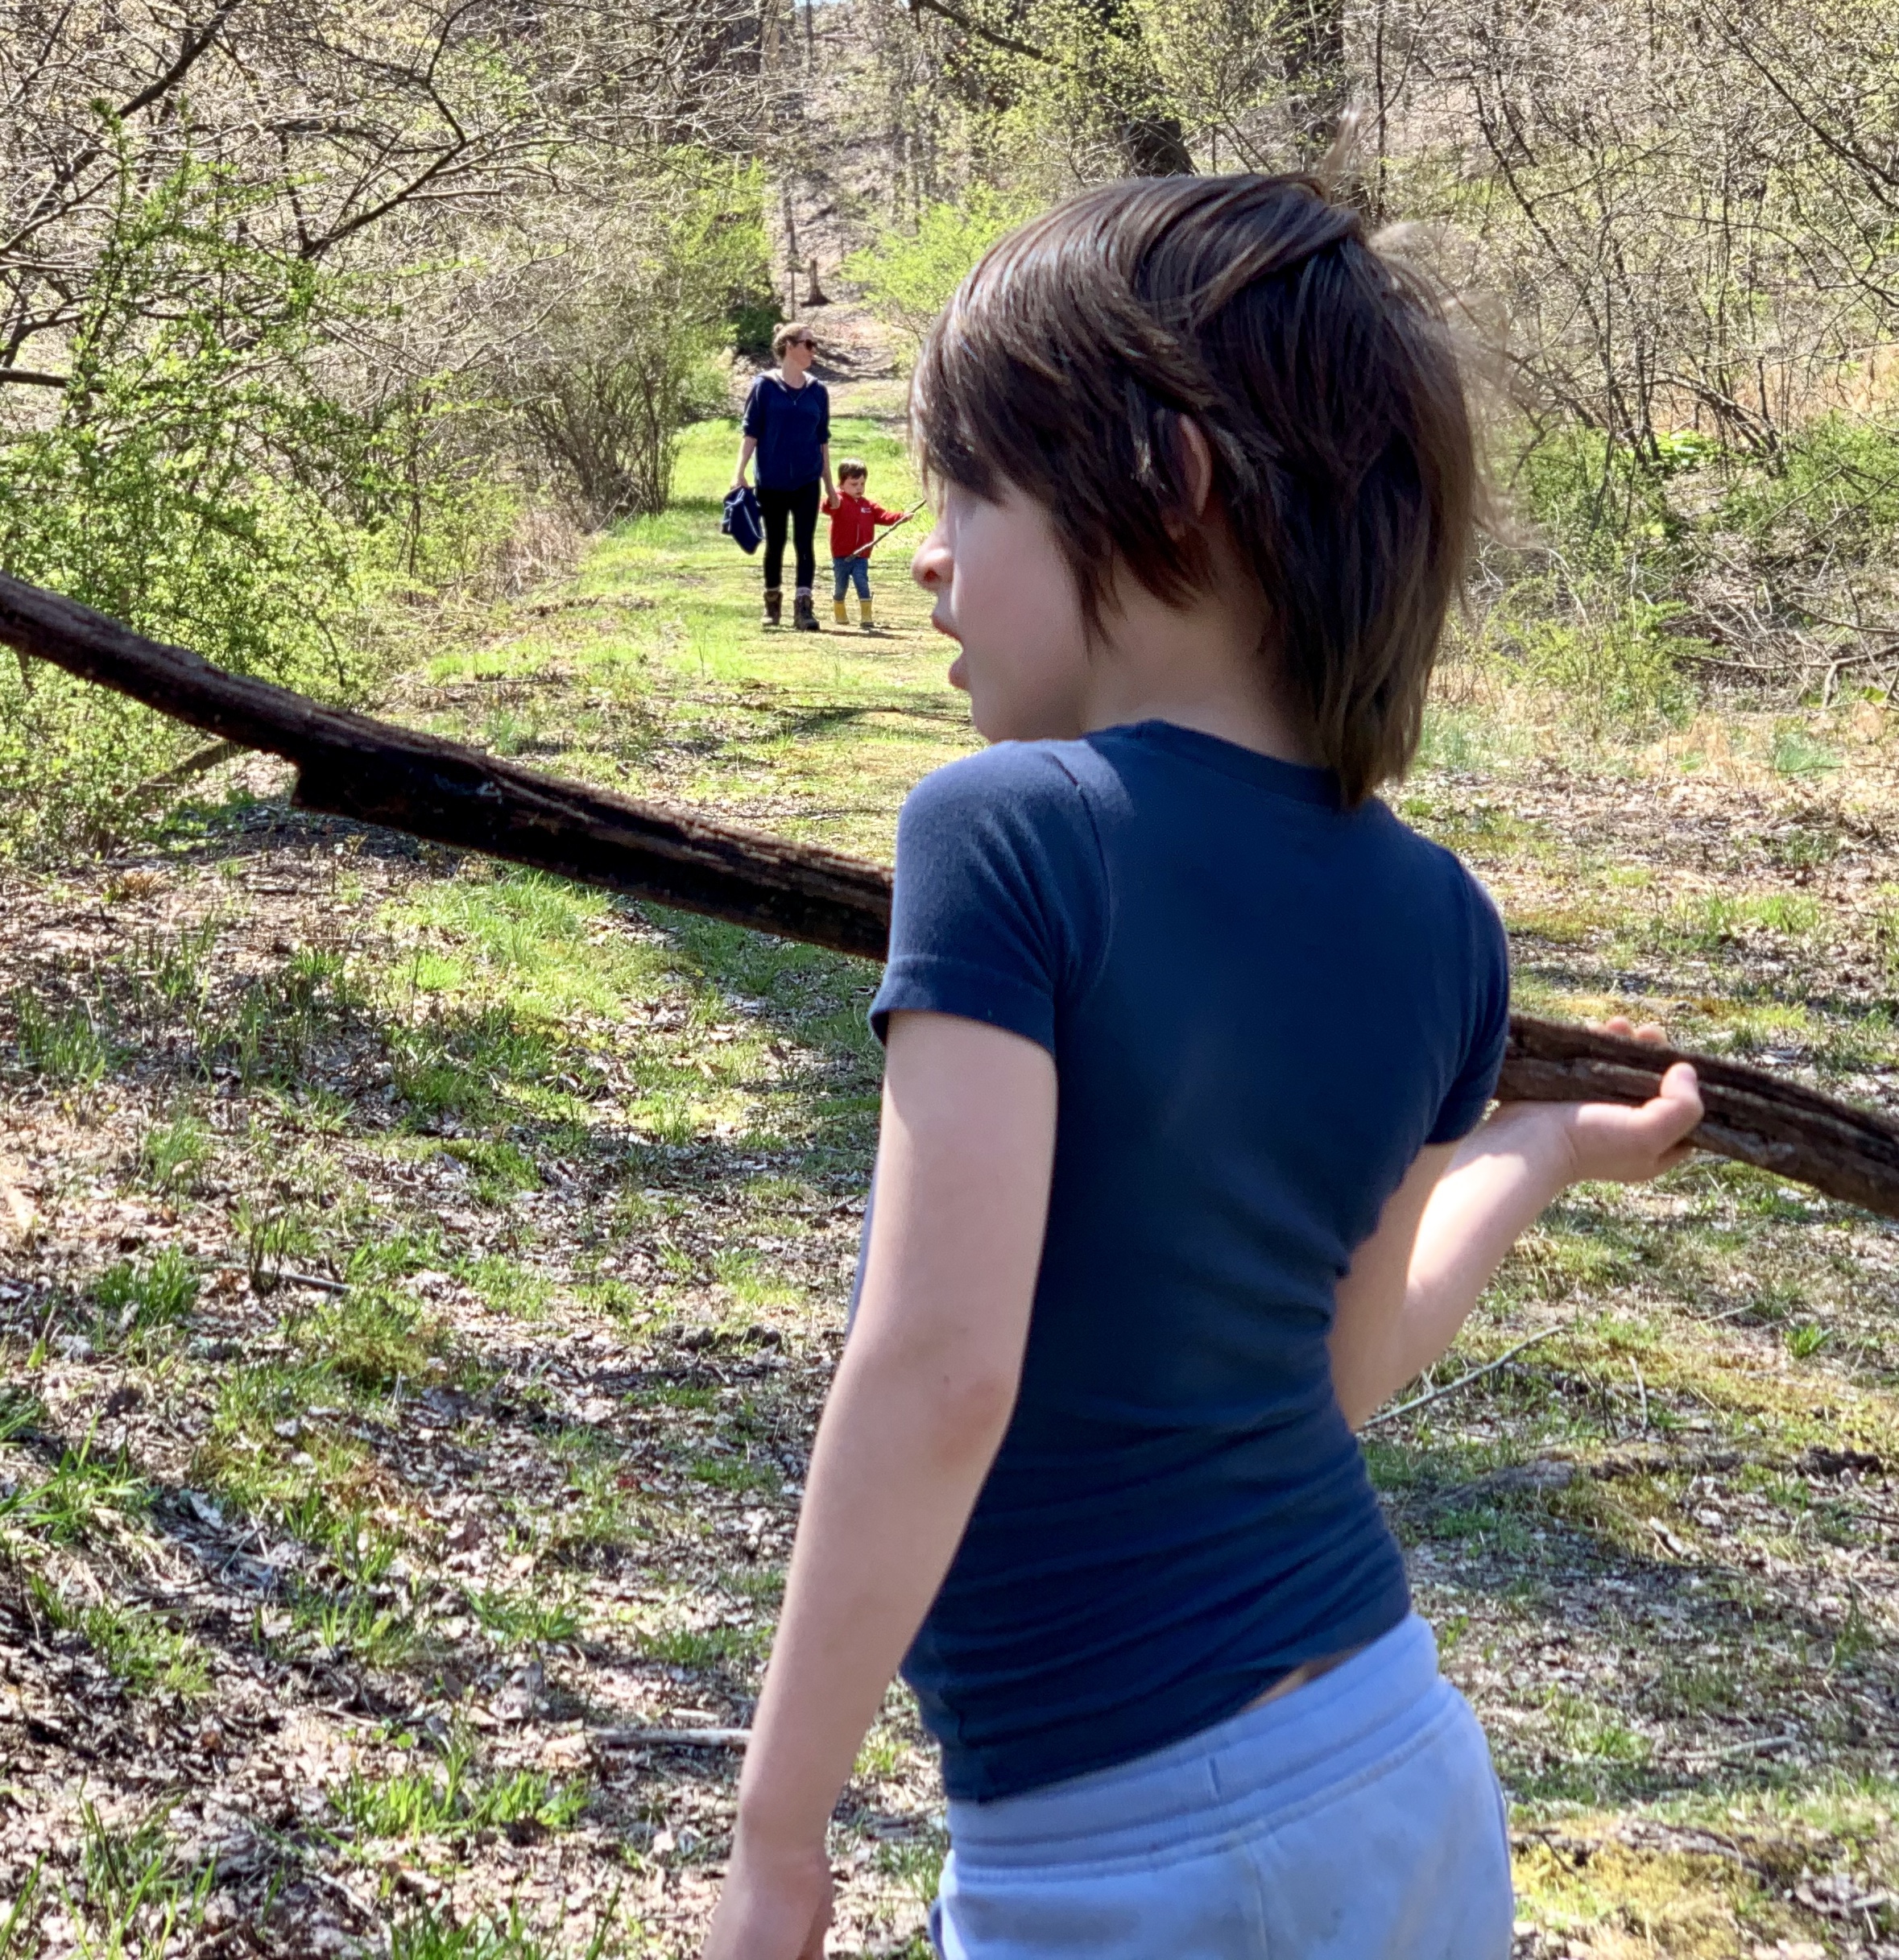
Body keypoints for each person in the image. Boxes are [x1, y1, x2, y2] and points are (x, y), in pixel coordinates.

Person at [701, 174, 1704, 1960]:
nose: (929, 550)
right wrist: (1533, 1153)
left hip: (1115, 1852)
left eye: (973, 491)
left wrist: (780, 1833)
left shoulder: (1009, 832)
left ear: (1165, 488)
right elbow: (1350, 1362)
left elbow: (941, 1371)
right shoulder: (1446, 922)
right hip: (1397, 1767)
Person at [734, 322, 834, 631]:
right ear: (789, 347)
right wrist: (739, 472)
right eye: (808, 344)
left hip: (807, 480)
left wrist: (830, 485)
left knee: (804, 544)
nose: (813, 350)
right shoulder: (764, 386)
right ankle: (772, 603)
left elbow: (823, 440)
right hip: (771, 481)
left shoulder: (818, 391)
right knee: (775, 542)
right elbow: (750, 433)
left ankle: (804, 608)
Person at [825, 459, 905, 627]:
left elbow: (885, 517)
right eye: (854, 484)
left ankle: (866, 617)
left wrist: (901, 517)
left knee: (862, 582)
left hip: (861, 556)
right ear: (842, 484)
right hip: (842, 557)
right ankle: (839, 609)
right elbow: (826, 507)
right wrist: (832, 496)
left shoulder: (868, 506)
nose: (859, 488)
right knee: (841, 586)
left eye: (862, 484)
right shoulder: (838, 502)